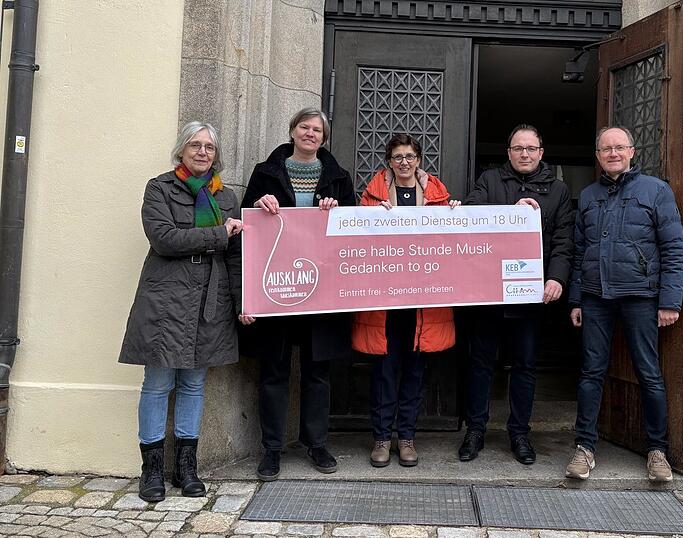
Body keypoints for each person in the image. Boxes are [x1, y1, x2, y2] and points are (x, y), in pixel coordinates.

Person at [119, 122, 243, 502]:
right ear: (182, 150)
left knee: (193, 384)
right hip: (166, 296)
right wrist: (219, 235)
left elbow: (237, 255)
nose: (203, 152)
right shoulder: (159, 188)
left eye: (209, 146)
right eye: (195, 145)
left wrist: (243, 303)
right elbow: (164, 238)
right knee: (157, 385)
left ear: (216, 154)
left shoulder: (226, 197)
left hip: (210, 296)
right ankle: (152, 470)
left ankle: (186, 469)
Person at [240, 107, 356, 480]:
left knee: (317, 372)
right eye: (304, 127)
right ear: (292, 131)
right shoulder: (266, 172)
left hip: (321, 291)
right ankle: (272, 449)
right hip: (278, 287)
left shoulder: (338, 177)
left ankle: (316, 444)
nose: (310, 134)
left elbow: (353, 230)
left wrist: (336, 211)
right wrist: (259, 206)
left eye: (317, 129)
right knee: (273, 371)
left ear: (324, 137)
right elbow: (247, 225)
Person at [566, 126, 683, 481]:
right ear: (598, 155)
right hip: (595, 297)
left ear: (632, 151)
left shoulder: (656, 191)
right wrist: (576, 299)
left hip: (641, 297)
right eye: (606, 149)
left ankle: (657, 451)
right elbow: (578, 253)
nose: (613, 153)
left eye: (619, 147)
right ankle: (584, 448)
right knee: (591, 373)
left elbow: (674, 250)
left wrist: (670, 301)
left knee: (649, 373)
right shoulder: (588, 195)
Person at [458, 124, 574, 465]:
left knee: (525, 366)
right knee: (480, 365)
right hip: (490, 294)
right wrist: (513, 208)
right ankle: (475, 430)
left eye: (531, 148)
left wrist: (557, 279)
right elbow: (470, 216)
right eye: (518, 148)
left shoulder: (558, 191)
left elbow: (564, 242)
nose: (525, 153)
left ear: (541, 153)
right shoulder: (489, 181)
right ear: (508, 152)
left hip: (532, 297)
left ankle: (520, 433)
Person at [352, 134, 461, 467]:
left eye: (409, 156)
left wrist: (457, 216)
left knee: (415, 371)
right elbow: (356, 242)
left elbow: (452, 245)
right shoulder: (370, 198)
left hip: (423, 301)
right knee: (385, 371)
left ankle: (408, 438)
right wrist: (372, 218)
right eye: (397, 157)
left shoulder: (439, 198)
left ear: (418, 160)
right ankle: (382, 439)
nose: (404, 163)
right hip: (384, 301)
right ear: (389, 161)